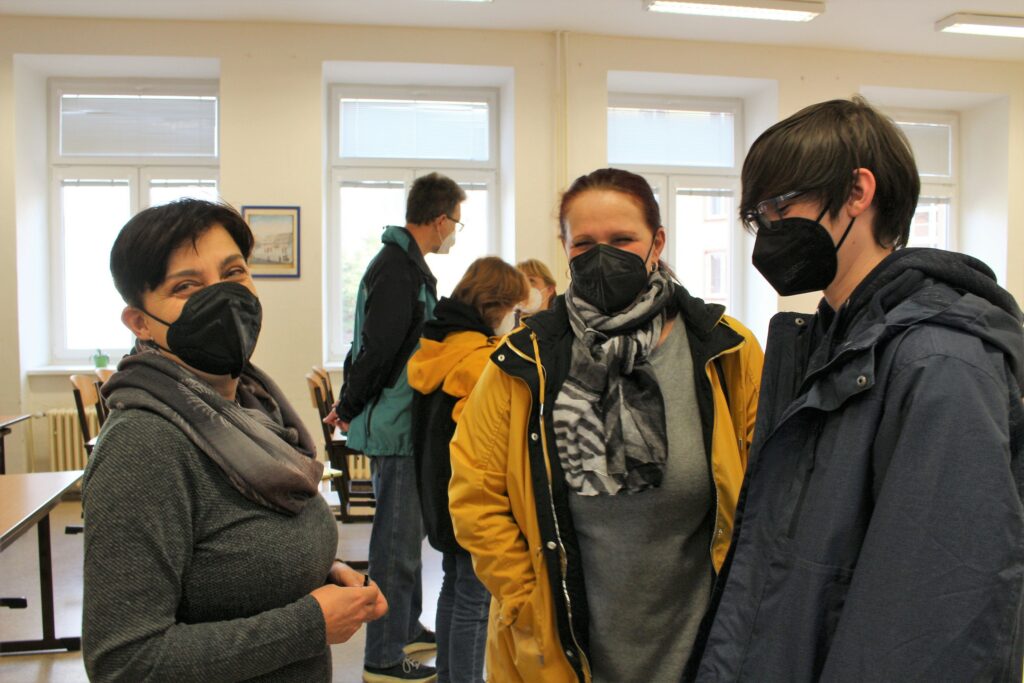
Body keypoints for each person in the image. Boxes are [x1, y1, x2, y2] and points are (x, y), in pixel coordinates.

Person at [692, 97, 1024, 681]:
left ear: (857, 192)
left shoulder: (940, 361)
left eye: (780, 206)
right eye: (757, 217)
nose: (768, 232)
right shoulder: (828, 344)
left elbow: (931, 620)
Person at [447, 168, 765, 682]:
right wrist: (527, 602)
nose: (603, 257)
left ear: (657, 242)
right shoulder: (523, 360)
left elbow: (769, 490)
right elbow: (475, 495)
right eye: (585, 244)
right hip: (561, 651)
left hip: (703, 649)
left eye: (622, 240)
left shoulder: (726, 349)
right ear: (565, 248)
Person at [82, 199, 387, 682]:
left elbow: (231, 556)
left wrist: (318, 570)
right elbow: (125, 662)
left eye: (233, 272)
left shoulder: (252, 405)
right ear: (140, 322)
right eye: (186, 286)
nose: (222, 296)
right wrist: (310, 623)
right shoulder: (144, 445)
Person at [325, 172, 466, 683]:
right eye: (456, 222)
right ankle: (382, 659)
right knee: (396, 548)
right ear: (439, 219)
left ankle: (406, 627)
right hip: (395, 425)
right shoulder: (397, 268)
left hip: (402, 422)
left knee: (406, 540)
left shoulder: (406, 265)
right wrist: (349, 404)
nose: (455, 232)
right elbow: (378, 349)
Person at [408, 257, 530, 683]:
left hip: (438, 490)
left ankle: (448, 676)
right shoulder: (481, 361)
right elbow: (491, 441)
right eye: (515, 309)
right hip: (472, 496)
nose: (516, 319)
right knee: (476, 601)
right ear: (496, 306)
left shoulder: (440, 345)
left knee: (454, 586)